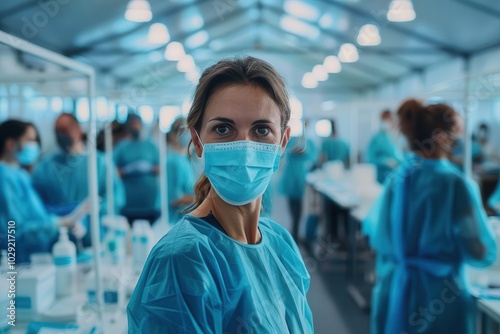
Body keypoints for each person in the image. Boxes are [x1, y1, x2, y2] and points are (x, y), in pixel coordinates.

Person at [128, 56, 314, 332]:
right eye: (223, 129)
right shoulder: (182, 260)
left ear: (282, 142)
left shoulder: (280, 243)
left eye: (261, 130)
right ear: (198, 142)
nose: (244, 145)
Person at [363, 100, 497, 334]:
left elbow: (380, 234)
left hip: (397, 288)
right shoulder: (457, 184)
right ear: (443, 138)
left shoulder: (399, 177)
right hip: (442, 295)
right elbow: (478, 251)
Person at [0, 120, 87, 263]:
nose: (34, 145)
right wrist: (61, 222)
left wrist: (72, 211)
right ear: (11, 144)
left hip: (32, 257)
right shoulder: (4, 177)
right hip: (16, 263)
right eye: (29, 140)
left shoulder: (19, 174)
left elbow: (36, 213)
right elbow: (15, 231)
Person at [32, 113, 125, 217]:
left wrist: (95, 211)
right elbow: (36, 201)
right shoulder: (46, 165)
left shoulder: (99, 162)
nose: (61, 135)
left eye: (64, 130)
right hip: (56, 229)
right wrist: (59, 216)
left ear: (78, 130)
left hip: (94, 229)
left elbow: (115, 196)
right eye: (57, 131)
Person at [114, 113, 160, 224]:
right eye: (132, 124)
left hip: (150, 204)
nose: (135, 127)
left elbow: (161, 169)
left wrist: (148, 168)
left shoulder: (151, 146)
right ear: (128, 127)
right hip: (129, 205)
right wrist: (127, 170)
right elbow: (112, 172)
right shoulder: (121, 147)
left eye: (137, 124)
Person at [279, 123, 318, 241]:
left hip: (301, 177)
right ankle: (293, 233)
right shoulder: (290, 140)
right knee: (293, 208)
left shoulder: (309, 142)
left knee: (300, 208)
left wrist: (303, 152)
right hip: (291, 176)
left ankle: (296, 233)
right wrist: (293, 151)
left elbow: (313, 156)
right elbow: (281, 153)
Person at [163, 117, 195, 223]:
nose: (188, 135)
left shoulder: (185, 159)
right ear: (174, 135)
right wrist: (203, 198)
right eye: (184, 132)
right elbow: (174, 198)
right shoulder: (173, 161)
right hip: (175, 221)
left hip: (186, 219)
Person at [366, 110, 402, 184]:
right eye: (384, 120)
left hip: (394, 175)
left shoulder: (393, 137)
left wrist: (399, 162)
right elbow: (369, 157)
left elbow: (398, 156)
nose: (386, 122)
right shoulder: (377, 138)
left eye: (388, 120)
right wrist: (384, 161)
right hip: (381, 175)